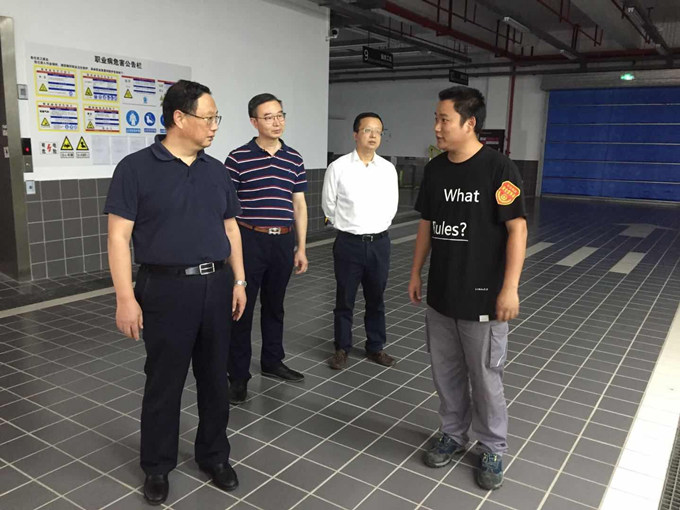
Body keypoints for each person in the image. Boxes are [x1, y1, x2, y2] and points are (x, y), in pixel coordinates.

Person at [105, 80, 246, 505]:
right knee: (164, 382)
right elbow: (118, 237)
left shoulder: (216, 170)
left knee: (215, 379)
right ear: (179, 118)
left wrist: (239, 280)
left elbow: (230, 228)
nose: (215, 126)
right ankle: (157, 465)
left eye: (217, 118)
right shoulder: (135, 168)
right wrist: (125, 298)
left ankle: (214, 456)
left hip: (216, 285)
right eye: (209, 117)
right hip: (164, 288)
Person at [408, 86, 527, 491]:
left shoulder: (499, 168)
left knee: (485, 377)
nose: (437, 127)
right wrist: (415, 272)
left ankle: (492, 446)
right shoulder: (436, 170)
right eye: (436, 119)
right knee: (446, 373)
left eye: (444, 119)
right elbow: (426, 224)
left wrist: (510, 288)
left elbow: (517, 229)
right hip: (442, 296)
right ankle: (453, 433)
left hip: (484, 299)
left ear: (469, 123)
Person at [225, 93, 308, 405]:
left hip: (283, 241)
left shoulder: (294, 158)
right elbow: (227, 210)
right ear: (254, 122)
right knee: (241, 308)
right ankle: (238, 375)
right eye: (269, 117)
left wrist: (301, 247)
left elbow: (299, 206)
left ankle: (272, 361)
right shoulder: (237, 158)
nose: (277, 122)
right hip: (250, 240)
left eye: (280, 115)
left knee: (275, 305)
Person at [322, 112, 399, 370]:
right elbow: (328, 205)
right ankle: (342, 348)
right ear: (355, 134)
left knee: (376, 298)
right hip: (349, 244)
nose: (373, 135)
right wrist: (348, 227)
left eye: (378, 131)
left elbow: (392, 206)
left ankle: (375, 347)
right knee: (344, 299)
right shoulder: (339, 167)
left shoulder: (387, 169)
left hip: (379, 244)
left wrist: (375, 228)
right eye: (367, 130)